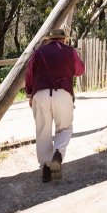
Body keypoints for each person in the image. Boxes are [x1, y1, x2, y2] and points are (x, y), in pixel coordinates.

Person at [24, 27, 84, 183]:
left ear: (49, 39)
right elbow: (80, 70)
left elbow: (29, 74)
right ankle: (57, 153)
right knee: (65, 128)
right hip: (63, 94)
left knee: (42, 131)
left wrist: (30, 94)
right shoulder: (70, 51)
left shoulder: (38, 53)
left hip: (40, 94)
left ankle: (45, 168)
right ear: (63, 39)